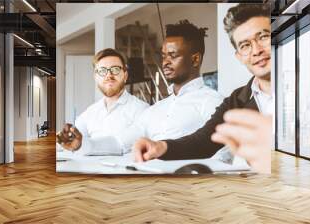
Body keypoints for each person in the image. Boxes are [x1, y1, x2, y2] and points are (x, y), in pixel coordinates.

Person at [134, 4, 273, 173]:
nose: (256, 50)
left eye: (264, 37)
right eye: (245, 45)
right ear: (238, 56)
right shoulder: (237, 100)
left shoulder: (307, 88)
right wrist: (161, 146)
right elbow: (203, 142)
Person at [115, 20, 223, 153]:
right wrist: (84, 143)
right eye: (164, 56)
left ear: (195, 59)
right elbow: (120, 143)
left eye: (173, 55)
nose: (165, 62)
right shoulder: (155, 109)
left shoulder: (213, 102)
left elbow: (223, 152)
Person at [56, 48, 148, 155]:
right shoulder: (90, 112)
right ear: (96, 77)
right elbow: (72, 138)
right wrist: (63, 139)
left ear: (125, 76)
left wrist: (82, 145)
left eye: (115, 69)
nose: (109, 75)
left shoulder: (142, 110)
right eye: (102, 71)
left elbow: (120, 144)